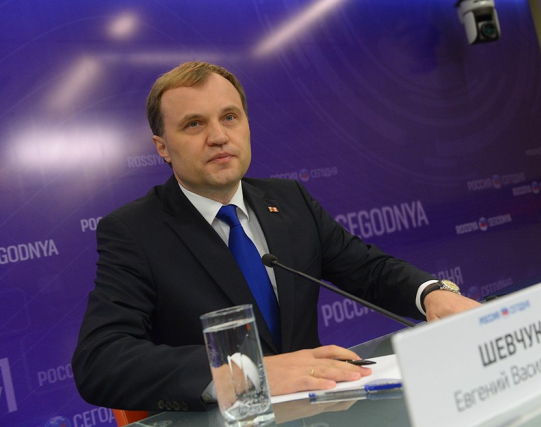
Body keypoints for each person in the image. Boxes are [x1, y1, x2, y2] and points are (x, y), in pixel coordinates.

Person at [72, 61, 479, 412]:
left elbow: (368, 270)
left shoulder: (289, 200)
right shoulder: (135, 231)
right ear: (162, 147)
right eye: (194, 124)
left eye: (229, 117)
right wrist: (248, 373)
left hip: (319, 414)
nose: (218, 136)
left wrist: (430, 294)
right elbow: (100, 359)